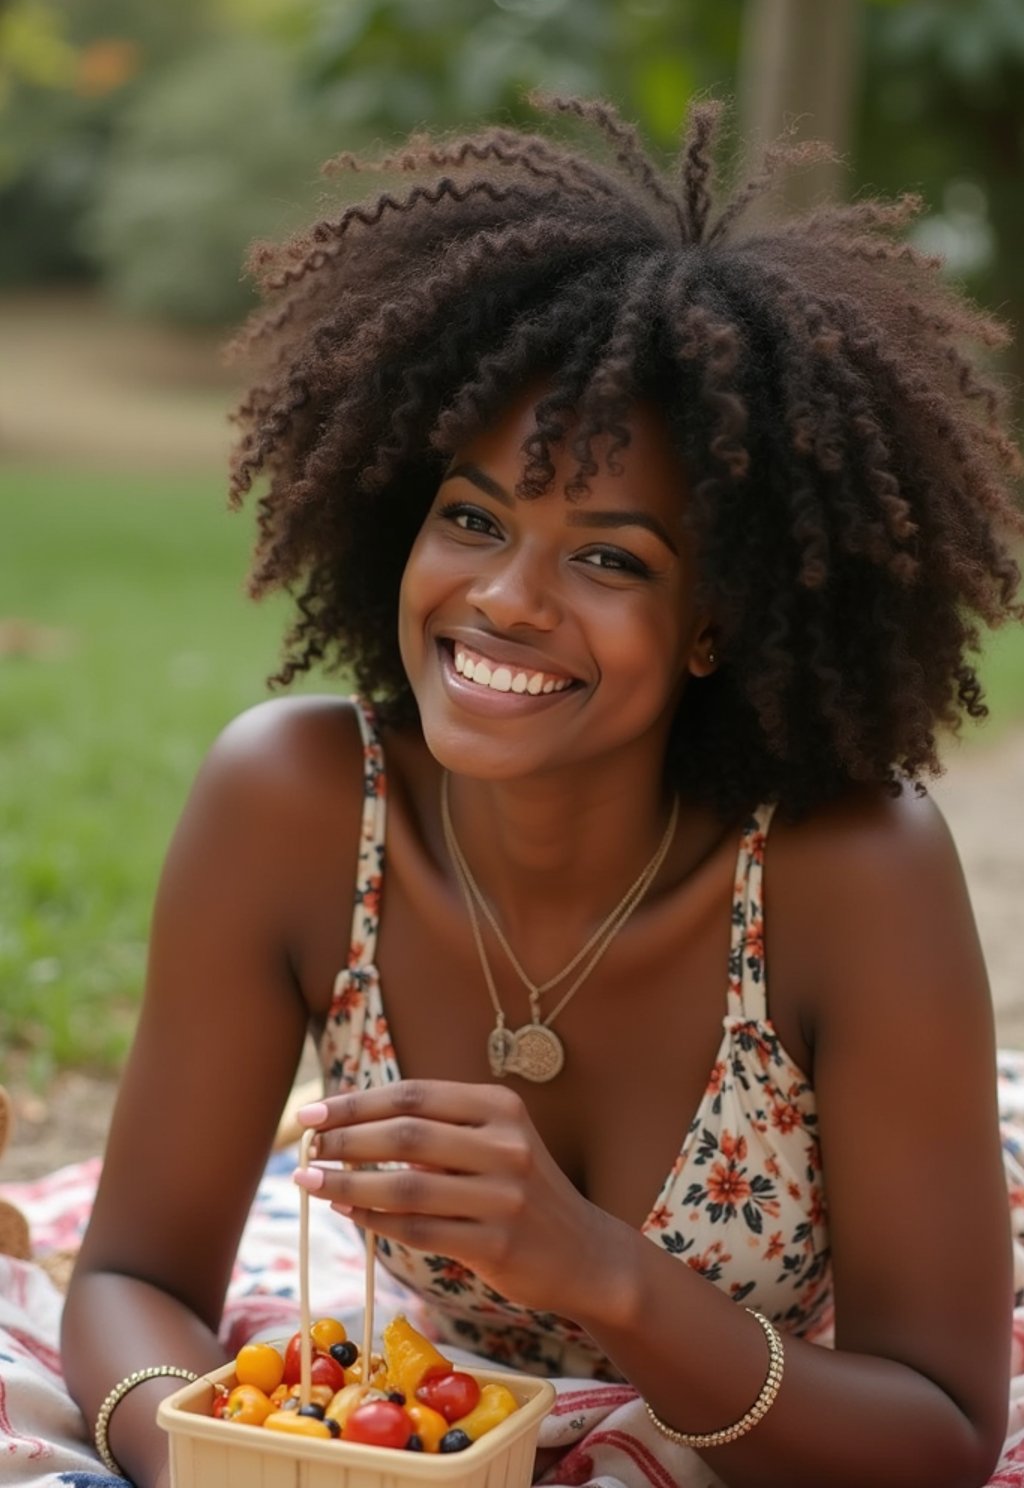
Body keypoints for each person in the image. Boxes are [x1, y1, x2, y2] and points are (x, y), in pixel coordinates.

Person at [60, 95, 1024, 1488]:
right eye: (473, 518)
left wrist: (603, 1273)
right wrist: (222, 1458)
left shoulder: (848, 871)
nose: (503, 603)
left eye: (612, 559)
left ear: (717, 622)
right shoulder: (292, 804)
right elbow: (128, 1279)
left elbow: (938, 1436)